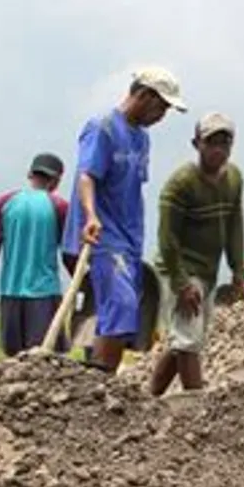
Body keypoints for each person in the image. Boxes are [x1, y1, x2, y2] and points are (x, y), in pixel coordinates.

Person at [61, 66, 187, 373]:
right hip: (102, 234)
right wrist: (91, 215)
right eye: (161, 107)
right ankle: (102, 378)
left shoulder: (142, 139)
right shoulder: (102, 128)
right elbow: (87, 176)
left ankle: (100, 378)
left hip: (129, 237)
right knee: (121, 304)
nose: (162, 116)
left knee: (121, 314)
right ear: (143, 95)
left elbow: (133, 187)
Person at [149, 112, 244, 395]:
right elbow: (167, 239)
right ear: (197, 144)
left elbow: (235, 225)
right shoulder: (181, 184)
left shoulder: (234, 179)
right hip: (179, 267)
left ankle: (150, 398)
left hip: (208, 271)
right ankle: (196, 403)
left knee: (187, 339)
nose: (218, 150)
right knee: (188, 340)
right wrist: (181, 283)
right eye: (211, 143)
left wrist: (238, 271)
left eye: (225, 143)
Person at [0, 153, 70, 356]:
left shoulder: (6, 203)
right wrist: (85, 283)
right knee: (46, 358)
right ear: (55, 181)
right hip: (44, 294)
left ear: (30, 175)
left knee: (14, 359)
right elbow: (68, 253)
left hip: (11, 292)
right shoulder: (58, 206)